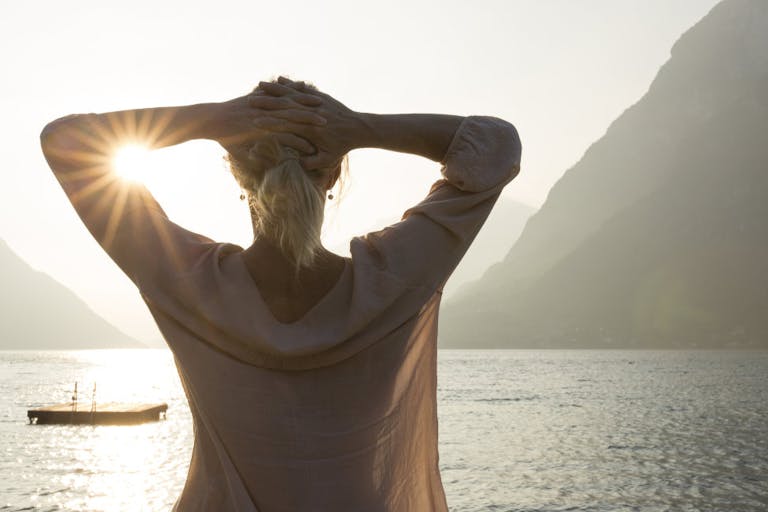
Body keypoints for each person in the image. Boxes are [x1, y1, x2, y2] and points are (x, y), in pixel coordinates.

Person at [40, 77, 521, 512]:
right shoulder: (391, 282)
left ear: (235, 174)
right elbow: (497, 147)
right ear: (334, 176)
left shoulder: (188, 282)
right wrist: (359, 127)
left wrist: (212, 119)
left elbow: (65, 141)